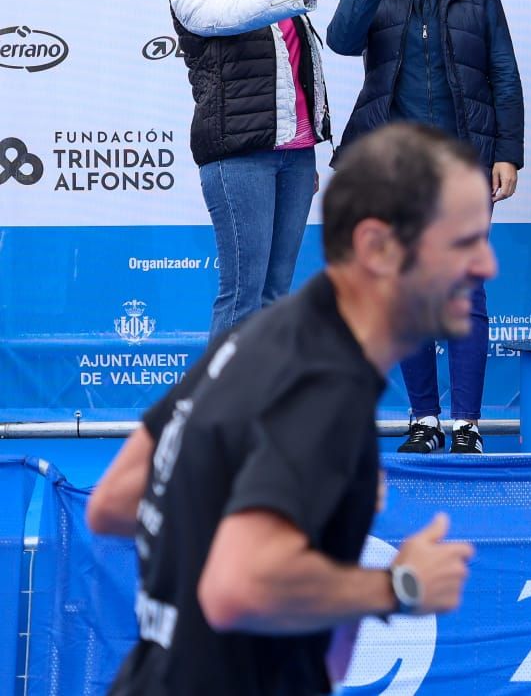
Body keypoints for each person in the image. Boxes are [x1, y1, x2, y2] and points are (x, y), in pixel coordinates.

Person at [86, 123, 486, 695]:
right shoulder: (327, 389)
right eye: (463, 243)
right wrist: (400, 586)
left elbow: (115, 503)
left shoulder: (259, 336)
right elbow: (239, 589)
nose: (485, 266)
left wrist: (257, 518)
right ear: (377, 247)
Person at [327, 0, 524, 456]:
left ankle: (466, 423)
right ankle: (424, 420)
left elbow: (503, 69)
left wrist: (508, 152)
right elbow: (341, 40)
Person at [169, 0, 354, 338]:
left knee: (275, 296)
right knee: (242, 296)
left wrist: (304, 139)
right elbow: (228, 16)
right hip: (239, 155)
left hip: (294, 154)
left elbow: (297, 64)